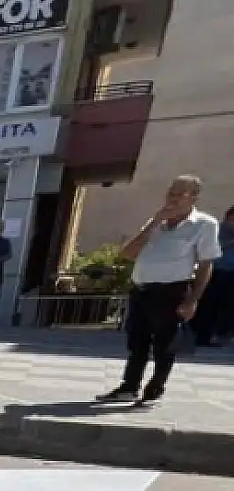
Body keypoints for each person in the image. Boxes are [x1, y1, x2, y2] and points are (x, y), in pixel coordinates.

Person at [98, 174, 222, 408]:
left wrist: (192, 300)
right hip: (142, 289)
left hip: (171, 291)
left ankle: (155, 387)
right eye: (170, 193)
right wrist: (155, 222)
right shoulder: (157, 222)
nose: (172, 198)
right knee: (137, 340)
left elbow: (206, 265)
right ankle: (129, 386)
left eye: (179, 194)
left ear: (194, 198)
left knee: (165, 343)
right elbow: (128, 254)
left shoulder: (204, 224)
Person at [191, 205, 234, 347]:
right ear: (228, 218)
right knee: (209, 305)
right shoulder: (217, 230)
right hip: (215, 272)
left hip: (231, 275)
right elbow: (213, 247)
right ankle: (202, 335)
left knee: (226, 306)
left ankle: (222, 333)